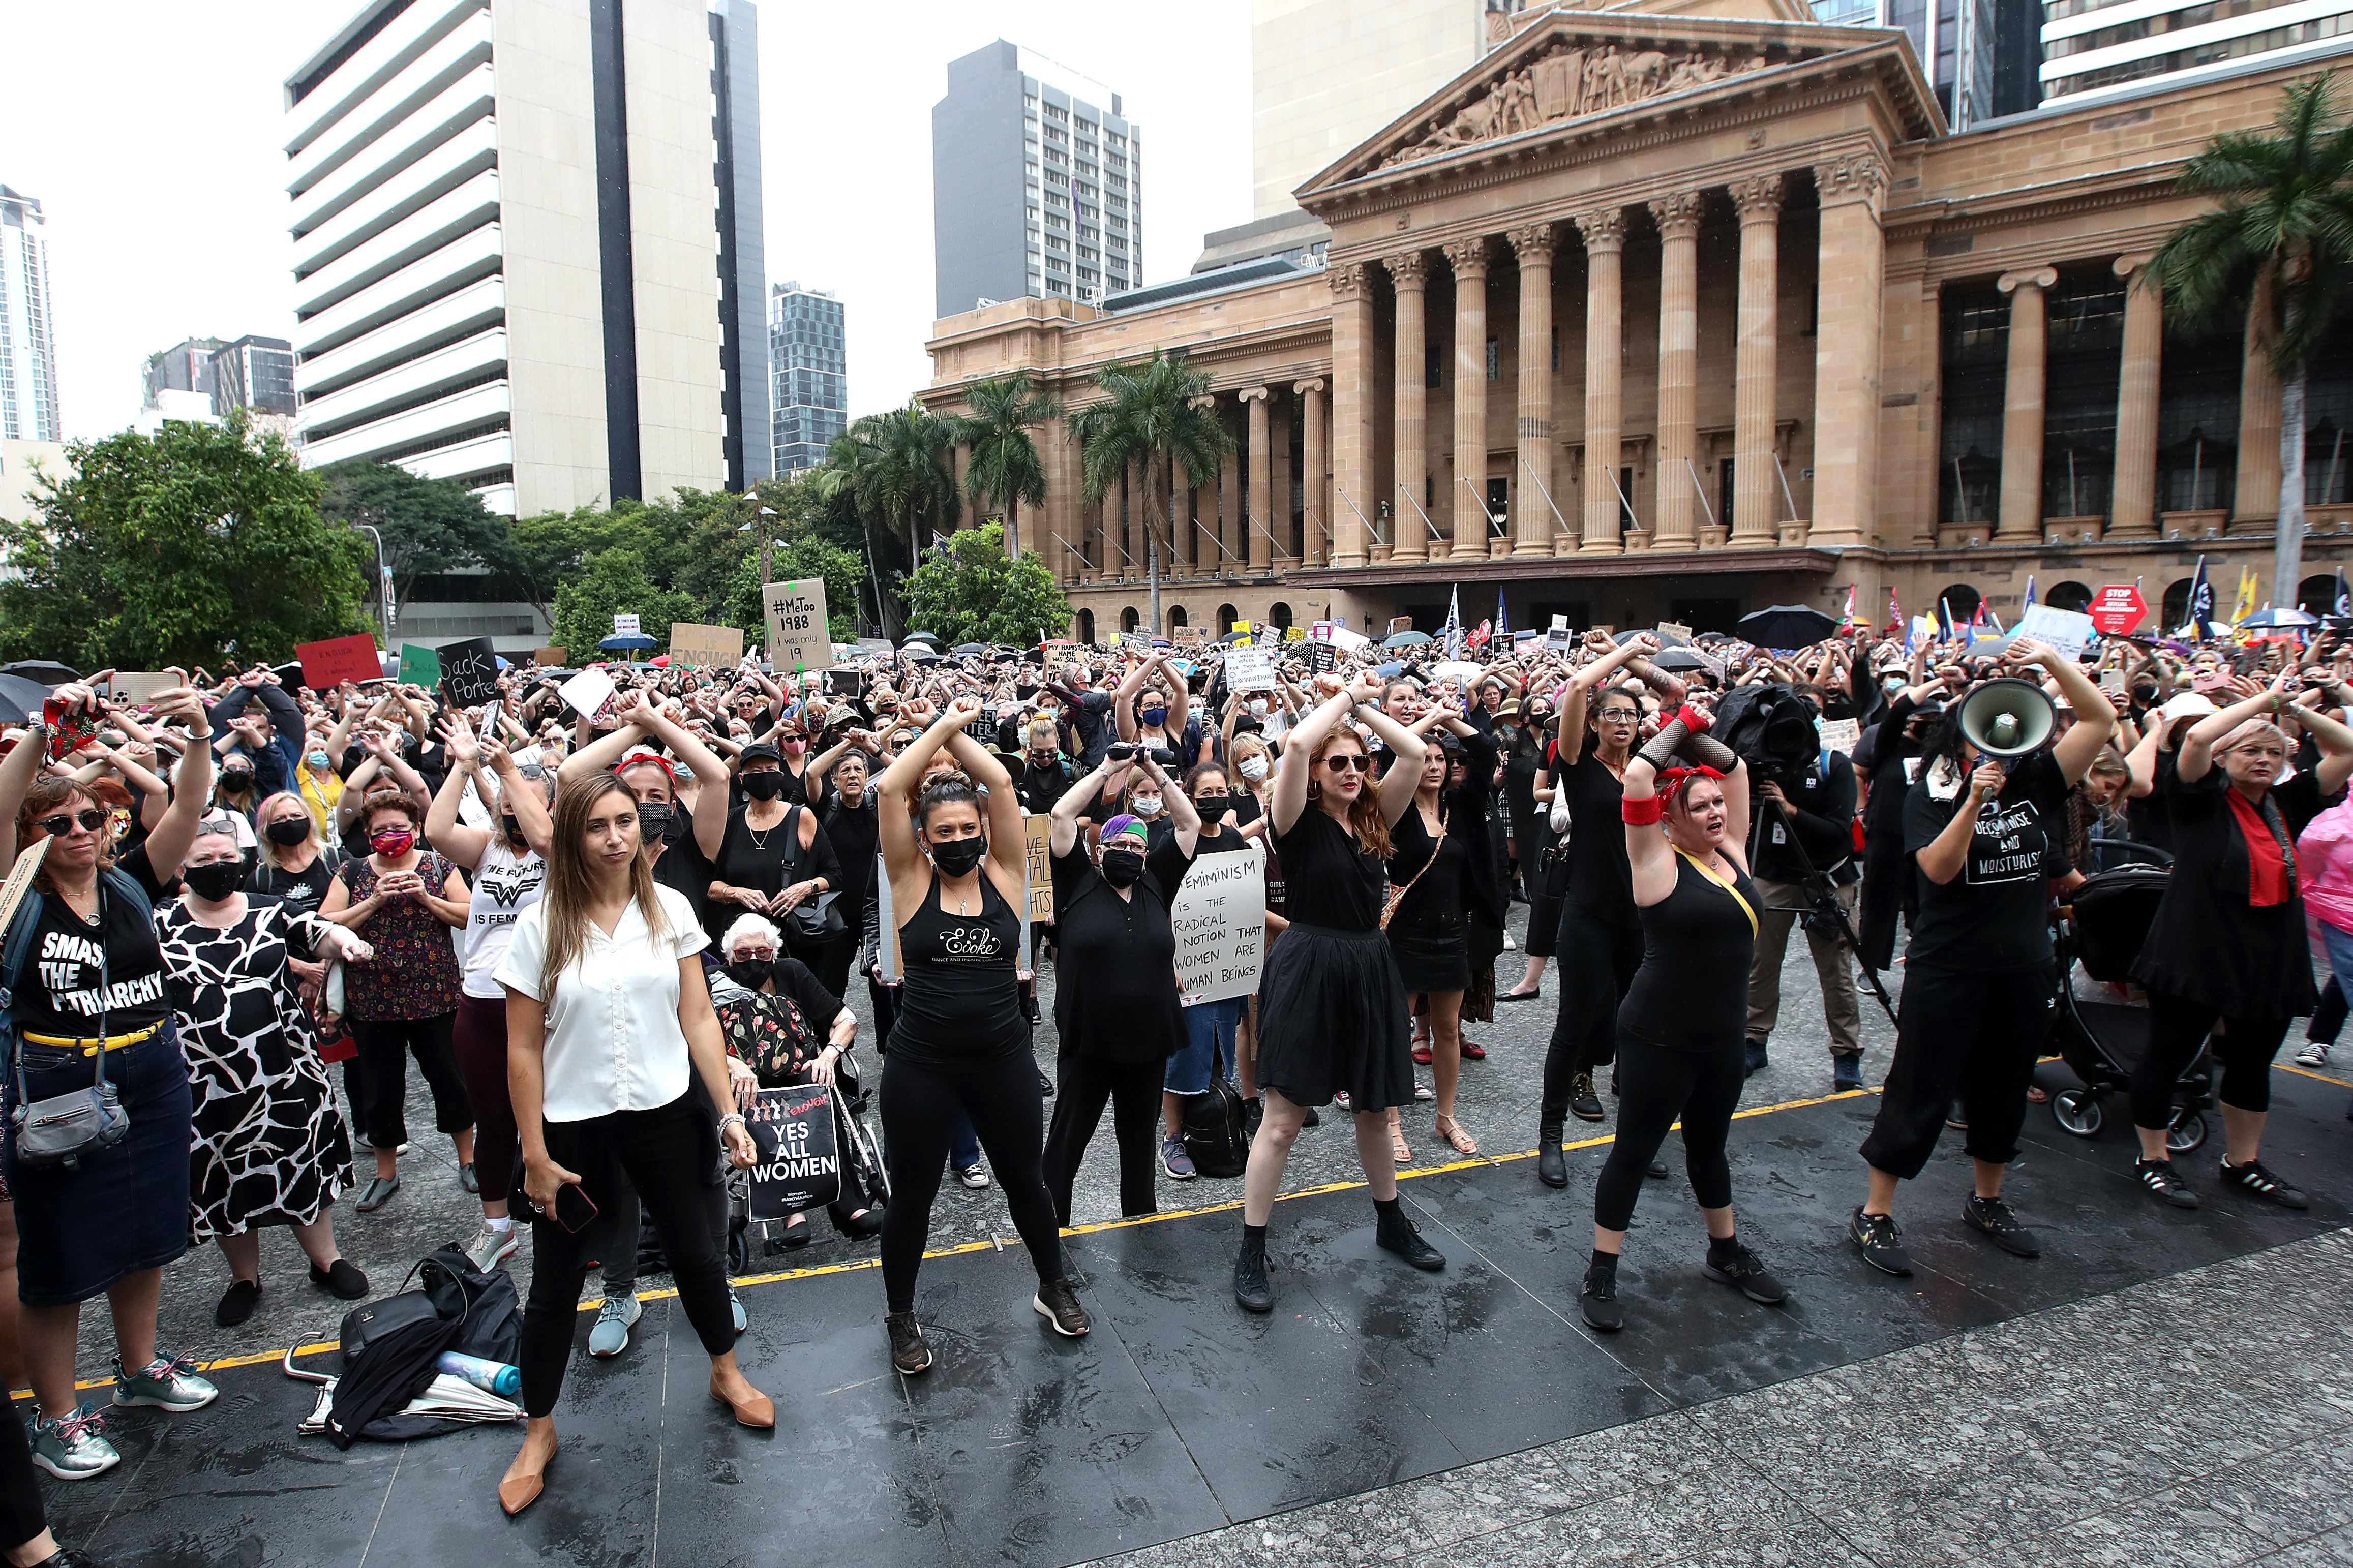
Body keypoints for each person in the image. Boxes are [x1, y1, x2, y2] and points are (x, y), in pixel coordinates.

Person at [493, 771, 769, 1516]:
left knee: (697, 1255)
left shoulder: (671, 908)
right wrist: (534, 1154)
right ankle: (540, 1427)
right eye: (598, 826)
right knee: (554, 1287)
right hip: (574, 1130)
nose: (616, 839)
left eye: (626, 823)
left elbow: (700, 1018)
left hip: (665, 1115)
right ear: (572, 836)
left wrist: (727, 1113)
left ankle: (725, 1371)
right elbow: (520, 1050)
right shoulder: (541, 923)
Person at [0, 682, 223, 1482]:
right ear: (27, 835)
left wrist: (199, 736)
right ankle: (56, 1416)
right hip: (58, 1081)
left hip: (153, 1071)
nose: (78, 832)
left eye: (90, 818)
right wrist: (45, 732)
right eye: (54, 823)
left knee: (146, 1233)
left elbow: (189, 811)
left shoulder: (129, 882)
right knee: (59, 1256)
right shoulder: (15, 895)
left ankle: (139, 1369)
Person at [1848, 639, 2116, 1275]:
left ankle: (1987, 1199)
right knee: (1920, 1086)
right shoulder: (1931, 794)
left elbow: (2100, 721)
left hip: (2020, 965)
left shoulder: (2040, 780)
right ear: (1958, 738)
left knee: (2001, 1086)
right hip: (1949, 963)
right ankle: (1874, 1212)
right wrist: (1971, 801)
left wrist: (2051, 664)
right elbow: (1936, 872)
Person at [873, 695, 1090, 1375]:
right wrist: (938, 724)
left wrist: (962, 735)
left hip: (1002, 1059)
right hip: (923, 1066)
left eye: (970, 827)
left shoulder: (1006, 872)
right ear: (926, 839)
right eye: (946, 831)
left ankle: (1051, 1285)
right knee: (912, 1195)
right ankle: (901, 1313)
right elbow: (887, 787)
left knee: (1026, 1179)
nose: (961, 837)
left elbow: (999, 782)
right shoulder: (909, 881)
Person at [1233, 672, 1445, 1316]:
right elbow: (1295, 744)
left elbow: (1410, 753)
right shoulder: (1292, 820)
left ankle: (1390, 1220)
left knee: (1376, 1110)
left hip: (1368, 963)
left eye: (1358, 762)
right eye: (1340, 763)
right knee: (1282, 1122)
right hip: (1308, 961)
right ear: (1319, 773)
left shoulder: (1375, 816)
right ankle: (1250, 1248)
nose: (1353, 770)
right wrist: (1346, 698)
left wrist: (1370, 712)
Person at [1581, 709, 1784, 1331]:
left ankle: (1723, 1251)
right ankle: (1602, 1269)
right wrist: (1682, 717)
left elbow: (1735, 767)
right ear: (1670, 819)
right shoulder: (1656, 862)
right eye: (1699, 807)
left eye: (1717, 804)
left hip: (1721, 1040)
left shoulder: (1733, 851)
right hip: (1657, 1037)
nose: (1716, 812)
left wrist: (1691, 735)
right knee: (1634, 1152)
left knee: (1709, 1148)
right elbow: (1640, 776)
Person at [2126, 681, 2353, 1209]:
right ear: (2224, 757)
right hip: (2196, 949)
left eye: (2273, 751)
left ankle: (2242, 1162)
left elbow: (2346, 749)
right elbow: (2198, 738)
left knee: (2252, 1062)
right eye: (2250, 749)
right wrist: (2262, 703)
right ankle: (2152, 1158)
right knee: (2168, 1054)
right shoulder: (2197, 798)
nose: (2263, 759)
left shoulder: (2286, 803)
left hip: (2269, 954)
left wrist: (2295, 709)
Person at [163, 826, 373, 1326]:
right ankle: (245, 1277)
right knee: (220, 1171)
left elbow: (319, 931)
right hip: (203, 1079)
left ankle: (326, 1261)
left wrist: (348, 943)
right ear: (180, 868)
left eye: (226, 855)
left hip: (285, 1067)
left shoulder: (269, 907)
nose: (217, 863)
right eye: (204, 856)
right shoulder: (160, 921)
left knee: (300, 1158)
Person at [1040, 749, 1197, 1219]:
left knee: (1137, 1138)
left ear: (1147, 855)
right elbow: (1062, 813)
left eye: (1137, 848)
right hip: (1088, 1040)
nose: (1127, 854)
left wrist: (1153, 770)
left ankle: (1140, 1221)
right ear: (1098, 850)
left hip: (1147, 1041)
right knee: (1068, 1140)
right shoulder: (1076, 881)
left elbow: (1187, 825)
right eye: (1118, 847)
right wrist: (1109, 769)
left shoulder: (1156, 882)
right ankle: (1052, 1226)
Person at [427, 720, 555, 1273]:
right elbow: (435, 832)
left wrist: (508, 773)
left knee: (556, 1114)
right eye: (505, 801)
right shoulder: (485, 850)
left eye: (526, 799)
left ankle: (565, 1211)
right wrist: (462, 765)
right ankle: (497, 1226)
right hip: (480, 1000)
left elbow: (547, 836)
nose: (513, 808)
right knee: (493, 1117)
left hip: (542, 1000)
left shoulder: (560, 853)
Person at [1536, 635, 1660, 1186]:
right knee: (1572, 1025)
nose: (1621, 722)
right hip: (1586, 912)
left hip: (1641, 918)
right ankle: (1550, 1136)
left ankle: (1634, 1139)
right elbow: (1581, 685)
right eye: (1610, 714)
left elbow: (1678, 697)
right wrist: (1626, 648)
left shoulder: (1646, 770)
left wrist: (1640, 669)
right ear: (1593, 722)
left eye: (1630, 715)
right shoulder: (1577, 765)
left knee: (1637, 1027)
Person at [317, 790, 476, 1212]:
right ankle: (385, 1173)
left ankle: (469, 1159)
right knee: (380, 1088)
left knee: (450, 1079)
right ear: (368, 834)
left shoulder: (438, 865)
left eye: (399, 829)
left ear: (416, 829)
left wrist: (426, 897)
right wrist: (374, 900)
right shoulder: (352, 872)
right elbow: (322, 922)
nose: (391, 837)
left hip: (435, 994)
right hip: (372, 1000)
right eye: (380, 830)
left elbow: (468, 913)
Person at [710, 914, 882, 1241]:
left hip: (801, 1079)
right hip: (744, 1086)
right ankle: (792, 1213)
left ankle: (850, 1209)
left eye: (762, 953)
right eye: (743, 955)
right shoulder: (711, 984)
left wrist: (829, 1056)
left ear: (773, 953)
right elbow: (693, 1038)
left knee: (820, 1092)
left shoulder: (791, 972)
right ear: (730, 957)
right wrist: (731, 1063)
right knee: (759, 1104)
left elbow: (846, 1019)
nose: (754, 961)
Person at [1388, 703, 1498, 1159]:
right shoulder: (1394, 807)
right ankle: (1391, 1120)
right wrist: (1421, 725)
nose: (1434, 766)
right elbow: (1394, 752)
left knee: (1448, 1030)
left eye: (1441, 759)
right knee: (1397, 1029)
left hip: (1453, 932)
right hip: (1405, 934)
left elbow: (1486, 749)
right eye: (1426, 758)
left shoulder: (1462, 805)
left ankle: (1446, 1117)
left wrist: (1447, 717)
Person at [1742, 707, 1864, 1090]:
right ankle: (1754, 1039)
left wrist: (1791, 809)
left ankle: (1847, 1052)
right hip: (1774, 874)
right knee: (1761, 962)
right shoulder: (1762, 765)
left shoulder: (1834, 765)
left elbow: (1839, 831)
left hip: (1825, 876)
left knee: (1835, 969)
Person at [1160, 762, 1254, 1176]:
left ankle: (1213, 1123)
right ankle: (1173, 1137)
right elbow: (1161, 904)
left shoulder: (1234, 838)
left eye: (1221, 791)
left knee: (1219, 1045)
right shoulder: (1176, 840)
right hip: (1188, 966)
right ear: (1190, 795)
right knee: (1185, 1051)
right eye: (1205, 792)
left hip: (1226, 966)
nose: (1214, 798)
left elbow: (1240, 901)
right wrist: (1170, 962)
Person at [706, 741, 840, 951]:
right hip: (741, 942)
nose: (764, 775)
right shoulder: (729, 821)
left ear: (781, 776)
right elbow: (708, 884)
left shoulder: (801, 817)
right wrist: (735, 893)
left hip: (794, 939)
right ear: (742, 779)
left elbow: (833, 874)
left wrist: (804, 888)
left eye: (770, 770)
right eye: (756, 771)